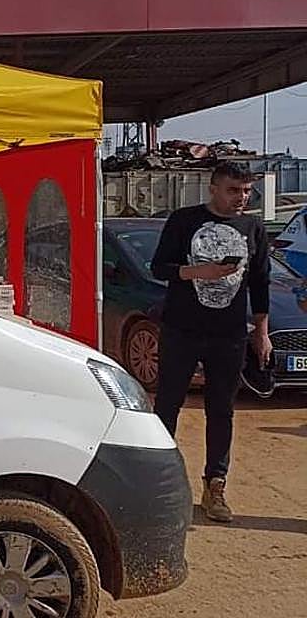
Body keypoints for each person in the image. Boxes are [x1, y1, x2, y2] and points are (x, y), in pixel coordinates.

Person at [150, 162, 271, 523]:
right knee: (168, 405)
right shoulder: (183, 221)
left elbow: (260, 281)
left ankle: (215, 486)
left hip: (230, 334)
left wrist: (261, 333)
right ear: (214, 188)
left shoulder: (252, 227)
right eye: (234, 190)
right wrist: (197, 272)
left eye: (247, 191)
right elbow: (159, 268)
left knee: (221, 410)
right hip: (181, 329)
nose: (242, 198)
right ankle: (159, 485)